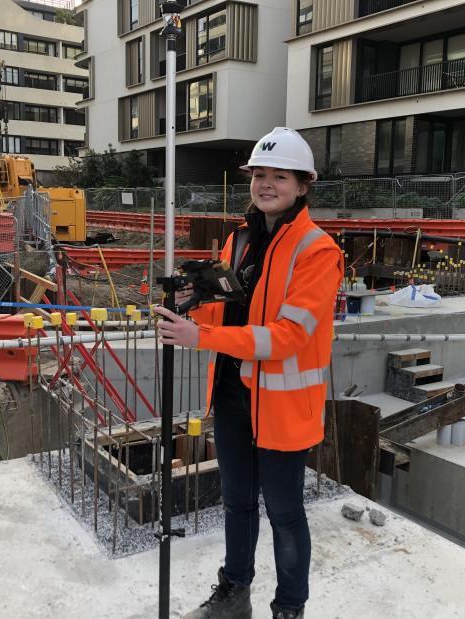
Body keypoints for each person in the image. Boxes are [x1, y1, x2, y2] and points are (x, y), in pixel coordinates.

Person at [155, 127, 343, 619]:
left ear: (303, 185)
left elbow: (286, 338)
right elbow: (229, 311)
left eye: (279, 176)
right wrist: (191, 306)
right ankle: (234, 592)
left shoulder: (317, 251)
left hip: (282, 407)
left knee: (284, 513)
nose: (266, 184)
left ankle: (288, 609)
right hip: (235, 396)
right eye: (259, 174)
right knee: (237, 503)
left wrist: (202, 338)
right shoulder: (239, 240)